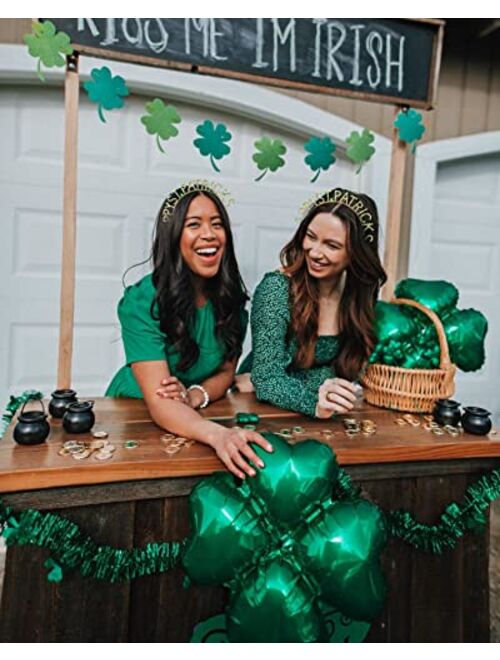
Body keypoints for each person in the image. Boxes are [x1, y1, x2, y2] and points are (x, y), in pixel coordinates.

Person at [106, 180, 273, 478]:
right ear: (173, 238)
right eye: (193, 224)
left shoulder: (232, 301)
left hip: (193, 418)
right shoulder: (142, 302)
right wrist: (220, 435)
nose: (209, 234)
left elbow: (225, 373)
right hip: (136, 413)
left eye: (217, 224)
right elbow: (161, 402)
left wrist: (195, 395)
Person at [247, 187, 387, 418]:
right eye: (311, 237)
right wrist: (317, 399)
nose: (314, 252)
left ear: (356, 253)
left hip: (331, 414)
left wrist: (326, 385)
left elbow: (354, 368)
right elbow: (266, 378)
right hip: (264, 410)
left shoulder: (359, 295)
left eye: (332, 245)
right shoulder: (276, 289)